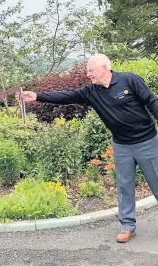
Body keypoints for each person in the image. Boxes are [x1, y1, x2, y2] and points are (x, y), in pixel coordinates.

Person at [18, 53, 158, 243]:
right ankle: (127, 226)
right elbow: (67, 96)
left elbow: (152, 101)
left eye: (90, 70)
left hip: (147, 142)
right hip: (122, 145)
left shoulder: (129, 80)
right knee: (124, 186)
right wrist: (37, 96)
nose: (88, 74)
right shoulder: (91, 91)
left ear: (104, 68)